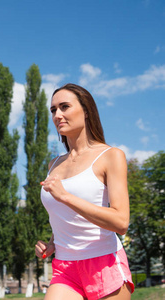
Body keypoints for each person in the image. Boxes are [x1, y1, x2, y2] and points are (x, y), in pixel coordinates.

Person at [35, 83, 135, 300]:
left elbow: (121, 222)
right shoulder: (54, 164)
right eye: (53, 110)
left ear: (87, 111)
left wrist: (66, 197)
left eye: (64, 107)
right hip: (65, 266)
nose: (57, 115)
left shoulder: (110, 156)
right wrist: (52, 242)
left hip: (103, 262)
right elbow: (63, 213)